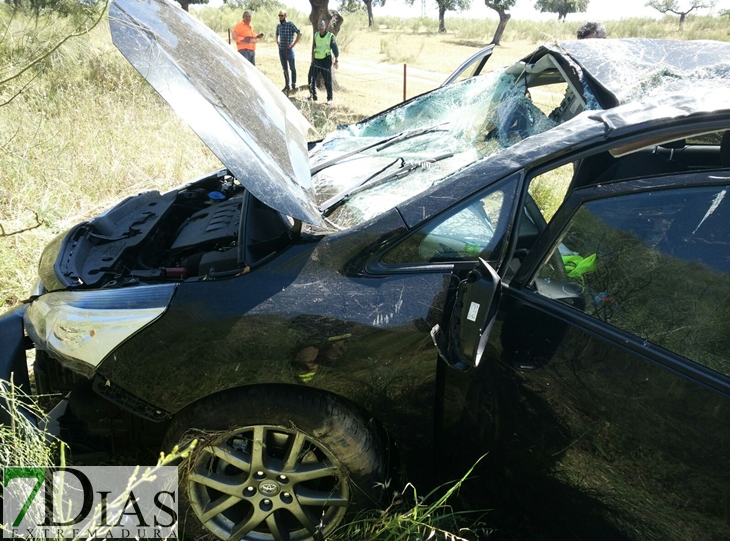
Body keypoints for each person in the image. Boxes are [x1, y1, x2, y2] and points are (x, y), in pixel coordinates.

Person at [308, 20, 340, 104]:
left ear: (325, 26)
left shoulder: (330, 36)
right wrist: (313, 60)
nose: (321, 27)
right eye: (319, 26)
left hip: (326, 60)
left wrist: (336, 60)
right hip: (317, 60)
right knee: (311, 77)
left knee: (327, 80)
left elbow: (335, 49)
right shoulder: (316, 35)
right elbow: (315, 47)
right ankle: (312, 95)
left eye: (322, 25)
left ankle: (330, 99)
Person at [276, 10, 302, 94]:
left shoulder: (290, 24)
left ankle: (293, 85)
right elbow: (277, 34)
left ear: (285, 16)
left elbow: (299, 33)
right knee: (285, 69)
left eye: (282, 15)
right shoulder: (279, 25)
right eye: (279, 15)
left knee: (292, 68)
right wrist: (277, 41)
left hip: (289, 50)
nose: (280, 17)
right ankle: (287, 85)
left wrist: (293, 44)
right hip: (281, 50)